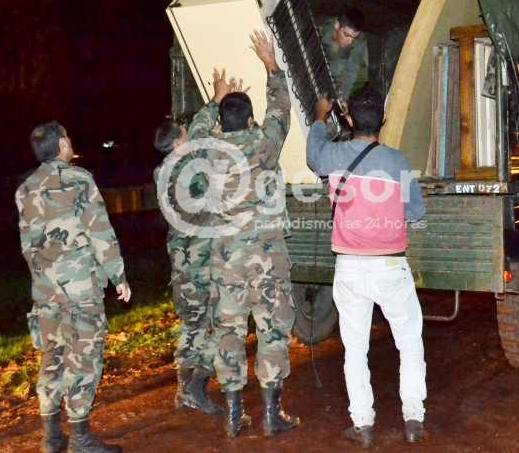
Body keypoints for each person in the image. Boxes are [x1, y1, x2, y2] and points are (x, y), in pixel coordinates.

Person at [187, 30, 300, 438]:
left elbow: (195, 133)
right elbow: (281, 109)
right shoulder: (264, 143)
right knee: (273, 329)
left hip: (227, 261)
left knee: (229, 332)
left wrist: (214, 99)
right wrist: (271, 64)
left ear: (221, 123)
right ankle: (271, 415)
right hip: (268, 258)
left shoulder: (208, 150)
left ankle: (234, 416)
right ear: (250, 121)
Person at [306, 93, 426, 448]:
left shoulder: (332, 156)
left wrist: (319, 116)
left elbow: (312, 155)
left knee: (355, 349)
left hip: (349, 269)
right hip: (390, 266)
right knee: (409, 343)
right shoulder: (398, 162)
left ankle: (363, 425)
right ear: (383, 120)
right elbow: (416, 212)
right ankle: (413, 421)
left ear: (350, 121)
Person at [16, 121, 131, 453]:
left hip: (45, 289)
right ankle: (80, 438)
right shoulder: (79, 179)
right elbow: (100, 232)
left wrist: (43, 279)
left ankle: (51, 437)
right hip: (79, 287)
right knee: (83, 356)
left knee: (53, 355)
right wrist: (118, 276)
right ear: (62, 144)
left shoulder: (25, 189)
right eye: (67, 137)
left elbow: (28, 245)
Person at [153, 117, 222, 416]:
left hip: (181, 262)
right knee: (219, 322)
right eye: (185, 133)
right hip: (201, 260)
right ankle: (197, 385)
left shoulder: (161, 171)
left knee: (191, 325)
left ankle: (184, 389)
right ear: (178, 141)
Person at [319, 7, 370, 103]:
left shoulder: (359, 42)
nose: (350, 41)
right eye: (346, 35)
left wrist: (342, 99)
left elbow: (352, 72)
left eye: (354, 37)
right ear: (337, 26)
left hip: (334, 79)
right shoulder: (322, 29)